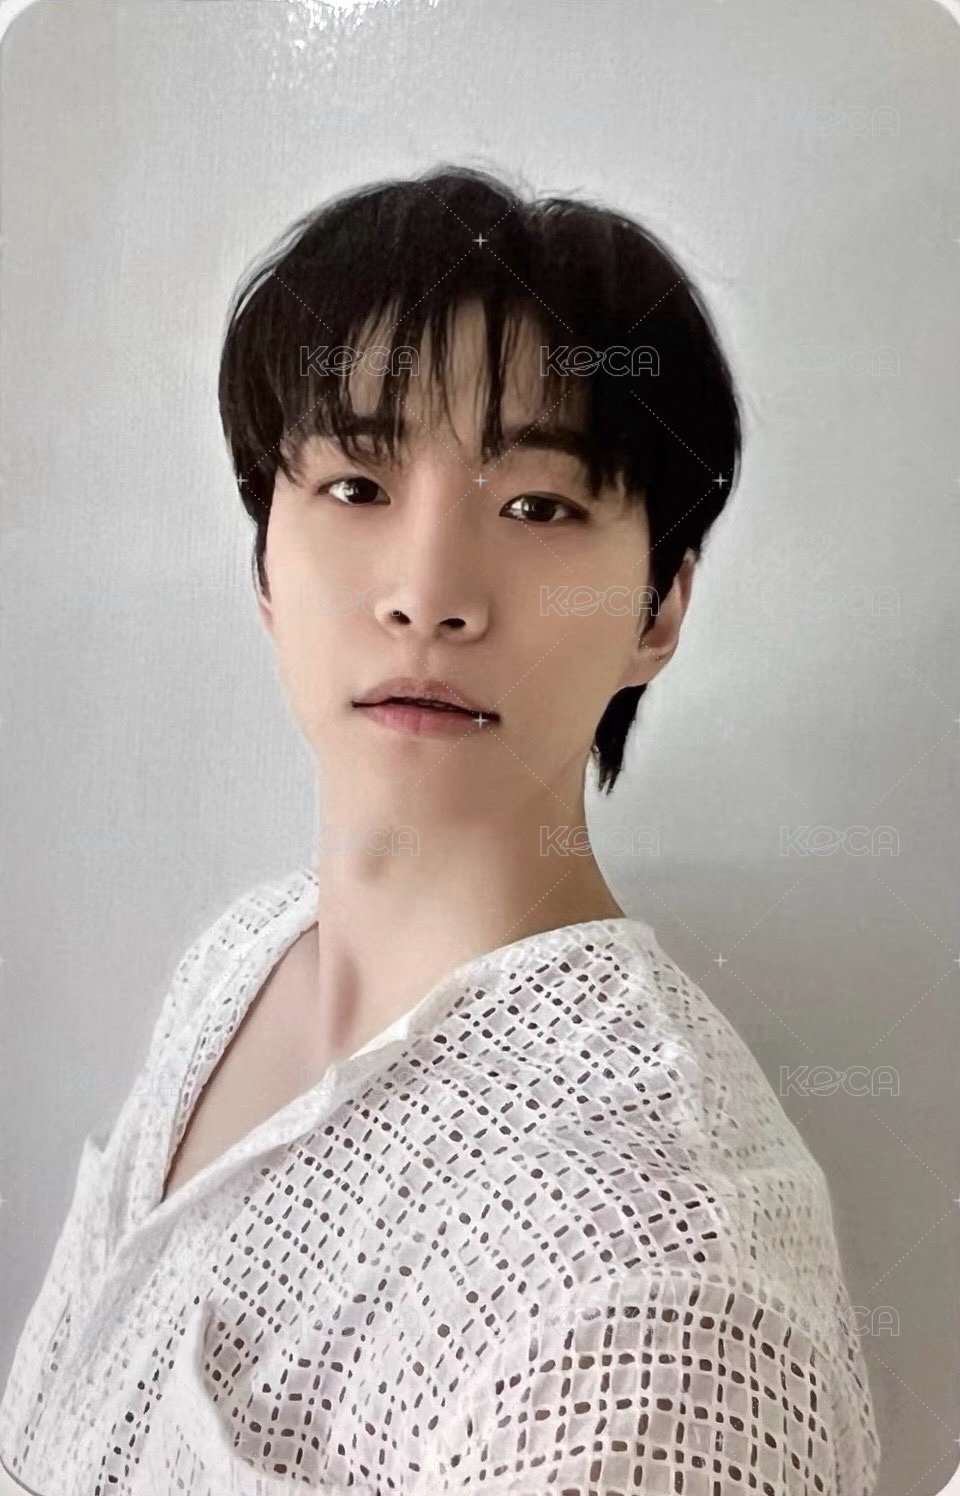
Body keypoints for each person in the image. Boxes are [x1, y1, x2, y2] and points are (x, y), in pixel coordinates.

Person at [0, 164, 880, 1494]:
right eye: (356, 486)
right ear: (264, 563)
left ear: (658, 609)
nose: (427, 594)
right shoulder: (237, 960)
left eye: (539, 506)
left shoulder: (661, 1286)